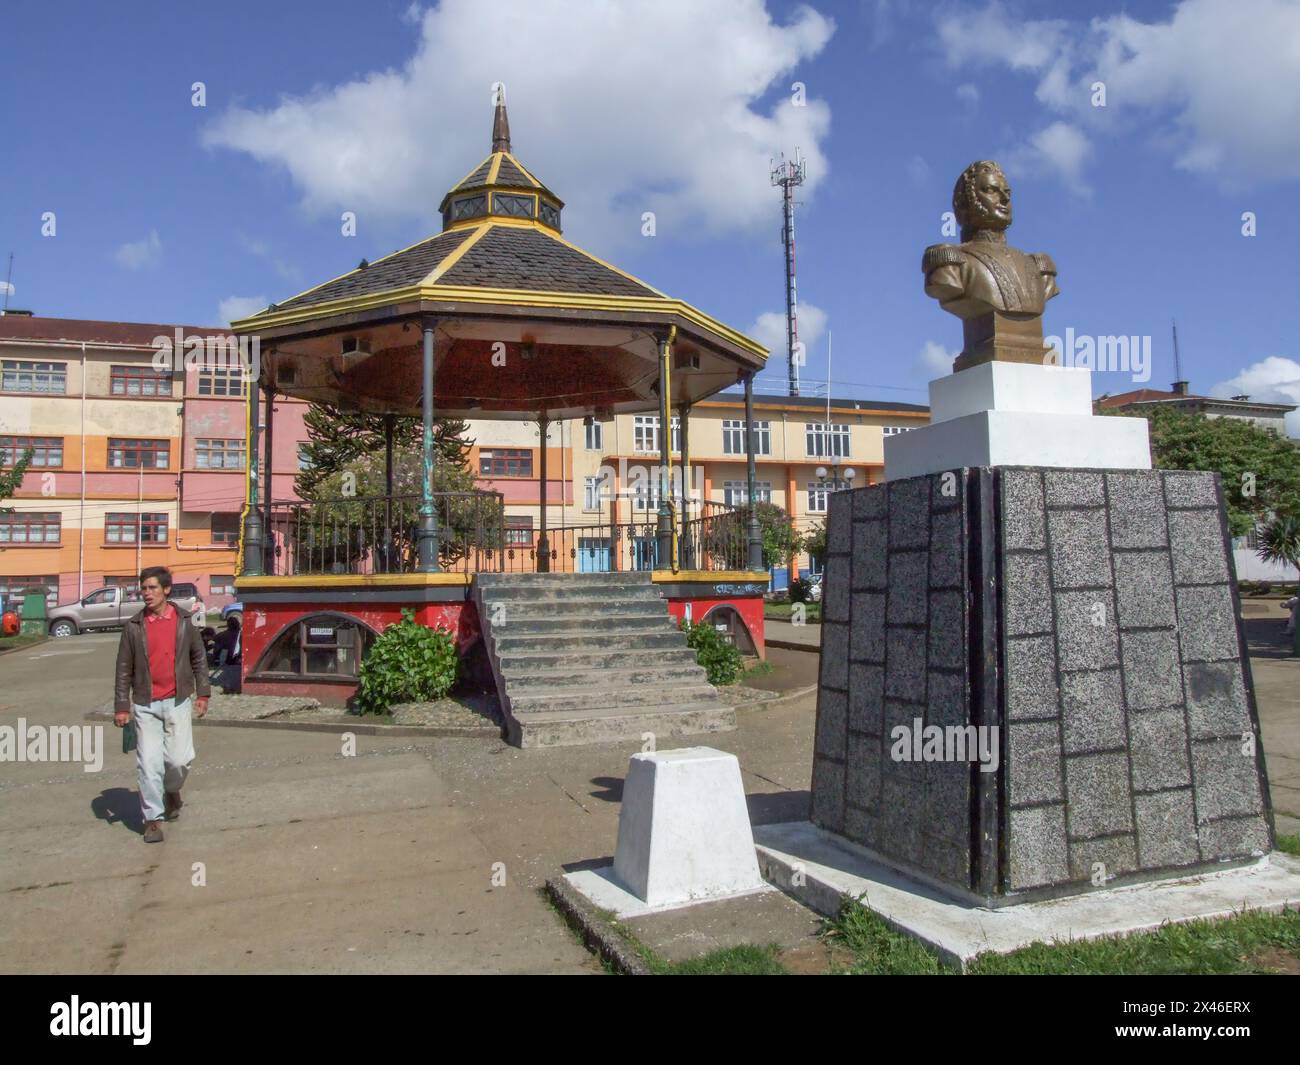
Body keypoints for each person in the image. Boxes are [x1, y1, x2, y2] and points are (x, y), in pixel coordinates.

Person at [113, 566, 210, 843]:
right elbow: (123, 669)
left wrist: (203, 694)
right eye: (143, 588)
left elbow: (199, 658)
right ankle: (153, 819)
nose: (146, 593)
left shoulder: (184, 620)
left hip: (178, 701)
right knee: (149, 764)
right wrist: (122, 705)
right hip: (145, 705)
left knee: (180, 760)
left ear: (166, 590)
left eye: (152, 588)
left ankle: (171, 790)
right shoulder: (133, 627)